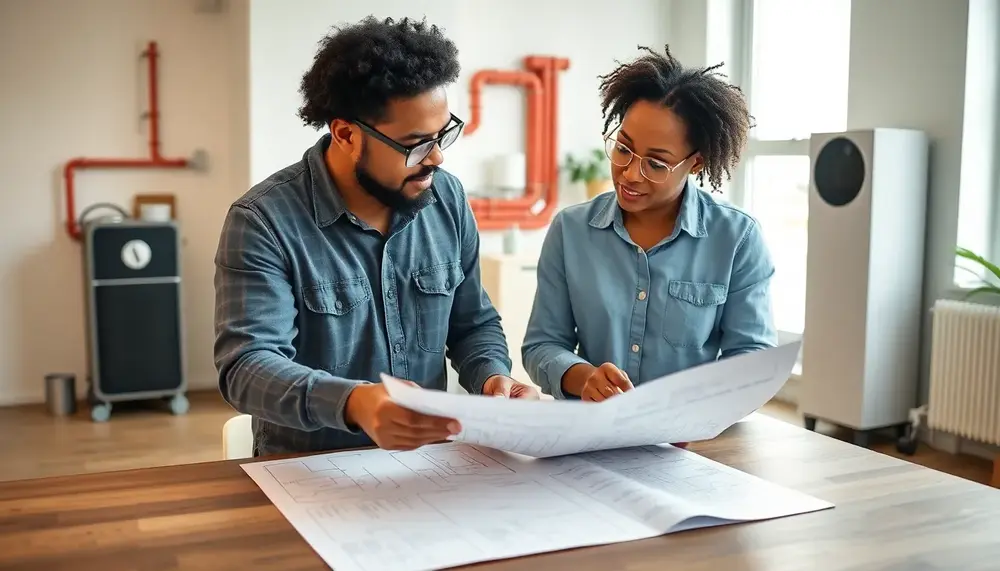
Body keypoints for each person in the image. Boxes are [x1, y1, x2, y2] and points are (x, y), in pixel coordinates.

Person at [214, 16, 539, 457]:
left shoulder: (447, 198)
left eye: (444, 133)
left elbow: (472, 324)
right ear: (347, 134)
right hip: (309, 472)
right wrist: (353, 402)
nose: (438, 156)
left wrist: (492, 376)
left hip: (429, 465)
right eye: (416, 144)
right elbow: (246, 368)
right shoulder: (263, 222)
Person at [522, 44, 777, 404]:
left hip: (693, 440)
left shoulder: (737, 239)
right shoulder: (570, 231)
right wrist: (585, 379)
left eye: (656, 164)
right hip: (591, 434)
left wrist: (695, 408)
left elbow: (752, 357)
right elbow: (542, 344)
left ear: (696, 164)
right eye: (623, 148)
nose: (629, 174)